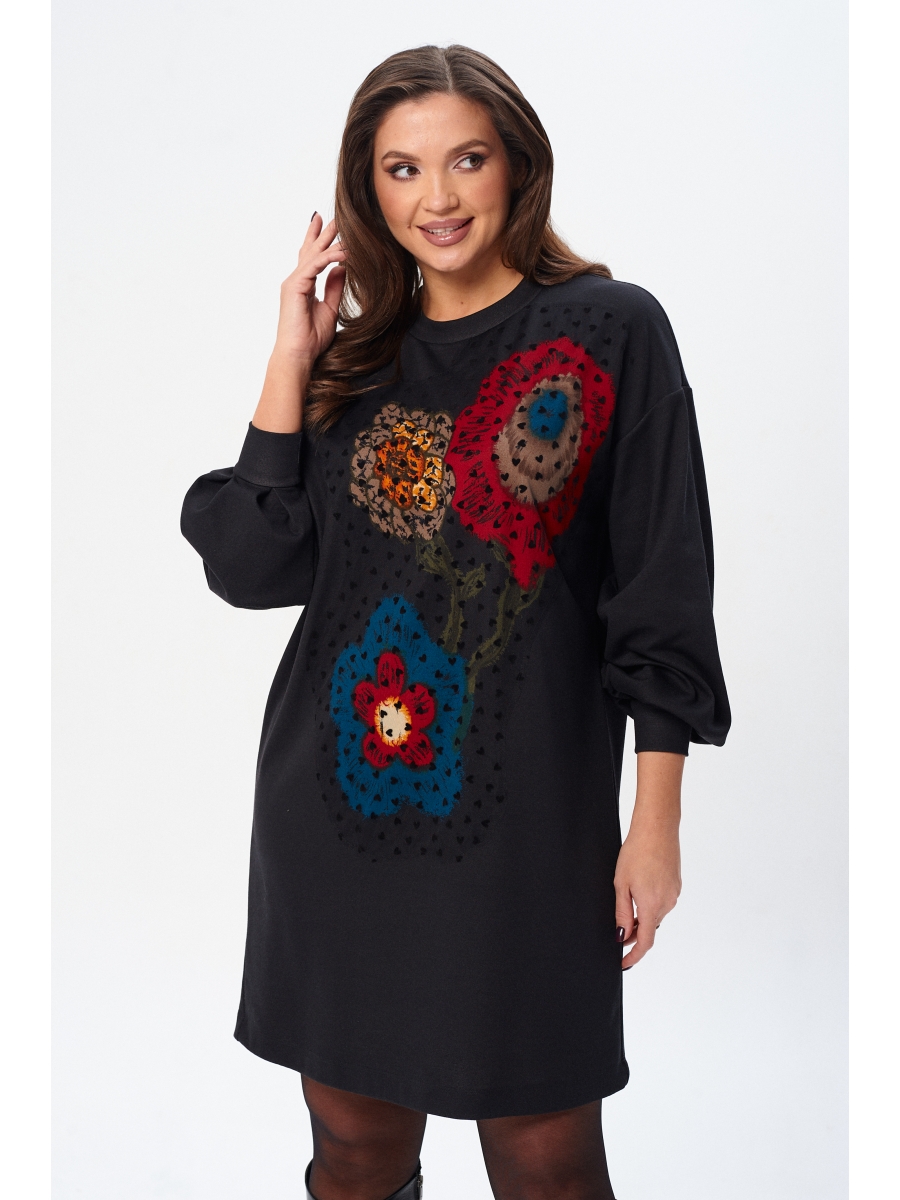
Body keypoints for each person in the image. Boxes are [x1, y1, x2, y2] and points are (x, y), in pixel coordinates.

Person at [181, 43, 730, 1200]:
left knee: (547, 1159)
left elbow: (661, 585)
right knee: (355, 1151)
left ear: (516, 165)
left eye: (466, 159)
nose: (437, 196)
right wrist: (293, 356)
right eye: (402, 168)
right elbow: (250, 564)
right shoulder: (353, 367)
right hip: (335, 823)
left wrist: (656, 821)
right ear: (367, 190)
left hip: (528, 828)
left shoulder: (609, 332)